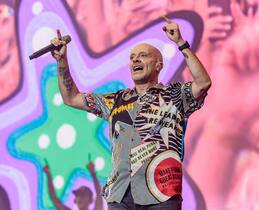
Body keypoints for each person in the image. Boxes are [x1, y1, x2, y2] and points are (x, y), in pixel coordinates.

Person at [50, 15, 211, 210]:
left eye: (142, 55)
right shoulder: (115, 100)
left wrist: (180, 43)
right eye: (132, 57)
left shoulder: (174, 95)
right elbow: (71, 97)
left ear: (158, 64)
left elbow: (203, 83)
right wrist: (61, 61)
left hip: (161, 194)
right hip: (120, 195)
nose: (135, 60)